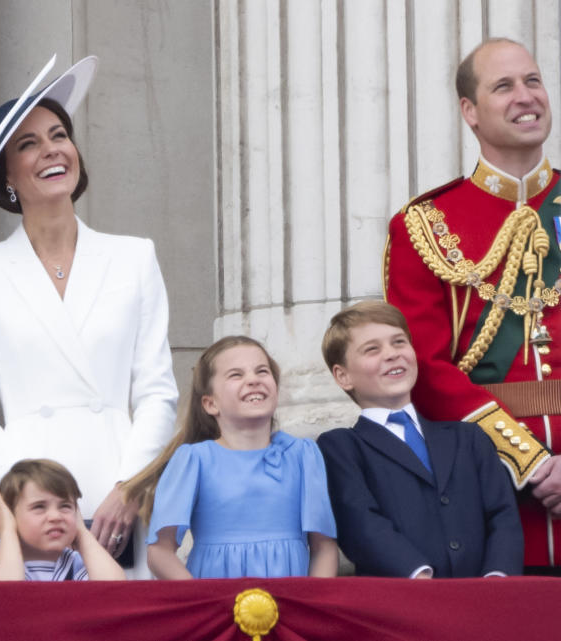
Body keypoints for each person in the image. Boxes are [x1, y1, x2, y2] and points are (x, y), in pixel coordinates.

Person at [0, 54, 178, 575]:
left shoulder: (133, 256)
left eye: (58, 135)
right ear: (5, 175)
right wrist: (21, 494)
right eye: (28, 144)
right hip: (27, 486)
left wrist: (131, 486)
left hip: (117, 489)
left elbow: (156, 391)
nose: (51, 150)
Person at [383, 38, 561, 571]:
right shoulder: (424, 225)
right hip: (496, 494)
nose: (525, 96)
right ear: (470, 112)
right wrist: (528, 461)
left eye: (532, 81)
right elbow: (423, 368)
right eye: (503, 86)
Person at [317, 301, 523, 578]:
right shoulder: (342, 447)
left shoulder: (468, 437)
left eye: (399, 342)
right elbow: (361, 523)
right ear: (343, 376)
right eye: (372, 349)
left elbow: (502, 514)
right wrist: (417, 574)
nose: (392, 355)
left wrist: (497, 577)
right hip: (402, 602)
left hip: (483, 599)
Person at [122, 336, 338, 579]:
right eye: (236, 375)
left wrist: (311, 608)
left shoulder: (303, 455)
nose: (253, 380)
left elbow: (324, 547)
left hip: (291, 604)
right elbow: (160, 552)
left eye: (262, 371)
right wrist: (204, 602)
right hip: (215, 603)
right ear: (211, 403)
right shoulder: (194, 459)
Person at [0, 459, 126, 581]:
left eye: (65, 506)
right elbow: (6, 591)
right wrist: (8, 531)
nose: (55, 517)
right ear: (10, 516)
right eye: (39, 507)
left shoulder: (76, 561)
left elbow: (115, 590)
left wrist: (82, 533)